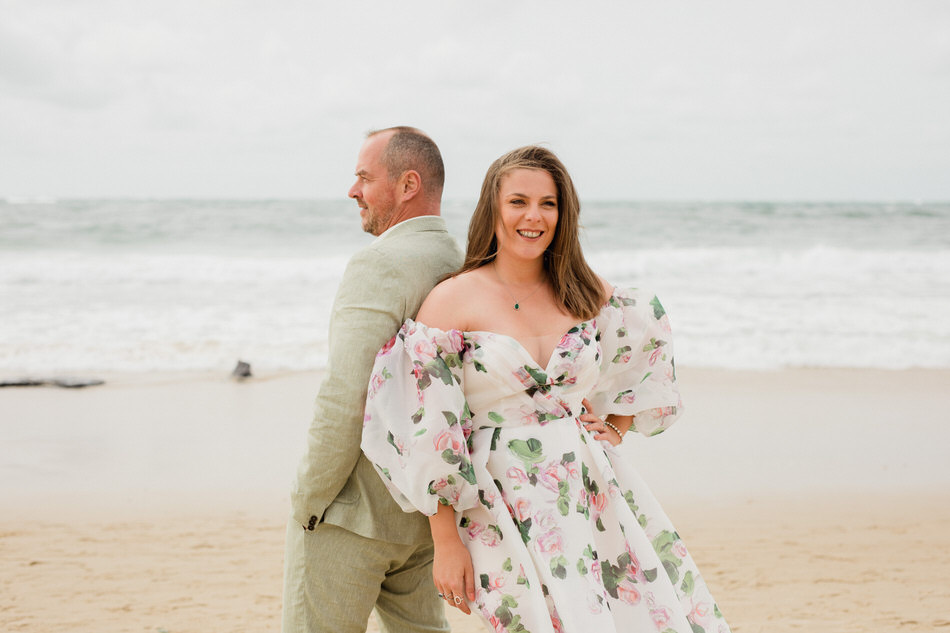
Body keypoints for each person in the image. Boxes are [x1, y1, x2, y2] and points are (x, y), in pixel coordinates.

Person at [361, 146, 731, 632]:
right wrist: (446, 540)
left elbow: (647, 342)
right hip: (496, 499)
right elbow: (431, 424)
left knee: (629, 615)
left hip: (589, 486)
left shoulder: (585, 291)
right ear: (493, 208)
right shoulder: (453, 300)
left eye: (548, 204)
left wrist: (616, 426)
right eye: (518, 201)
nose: (533, 216)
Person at [282, 127, 463, 633]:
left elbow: (347, 393)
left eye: (364, 177)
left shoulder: (379, 263)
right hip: (422, 519)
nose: (352, 190)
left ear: (408, 185)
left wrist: (309, 497)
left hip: (353, 515)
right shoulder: (460, 263)